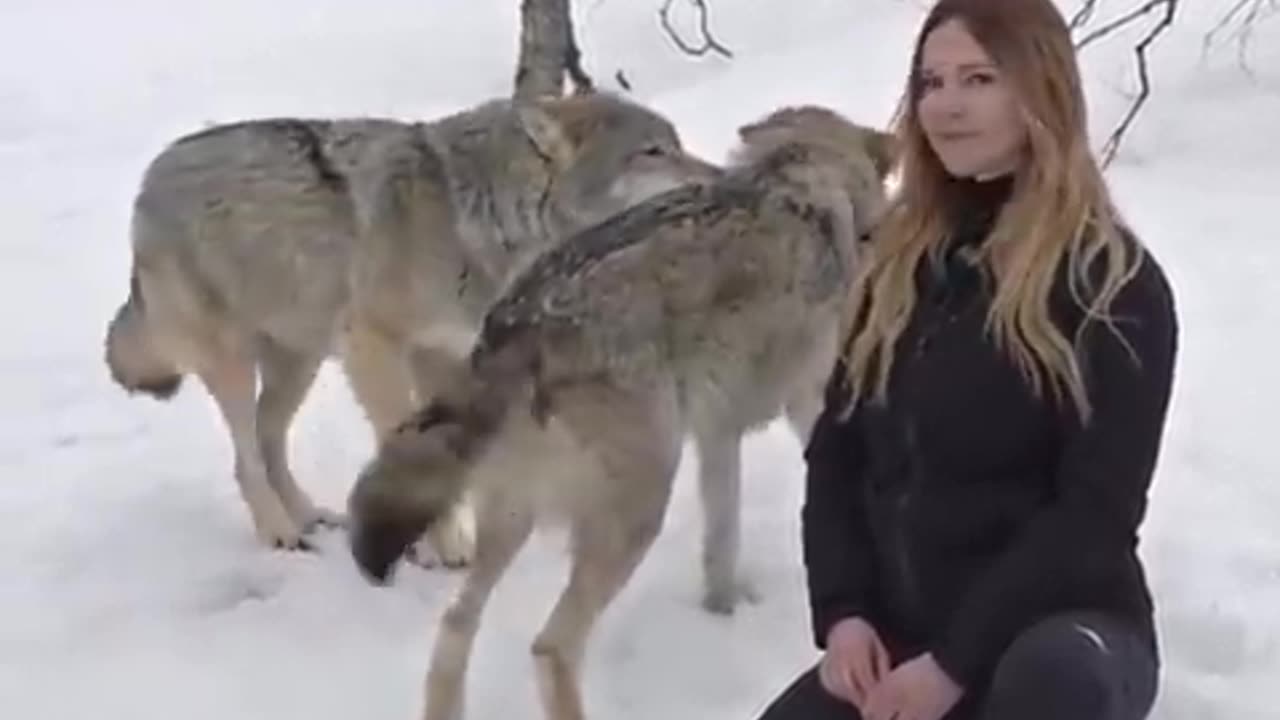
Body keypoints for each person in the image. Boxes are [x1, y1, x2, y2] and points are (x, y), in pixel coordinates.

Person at [754, 0, 1179, 719]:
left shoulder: (1112, 285)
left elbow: (1095, 515)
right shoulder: (894, 270)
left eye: (979, 80)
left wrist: (956, 663)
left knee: (1049, 683)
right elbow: (837, 457)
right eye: (931, 82)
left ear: (1038, 90)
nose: (946, 106)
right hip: (908, 639)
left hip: (1061, 634)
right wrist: (845, 612)